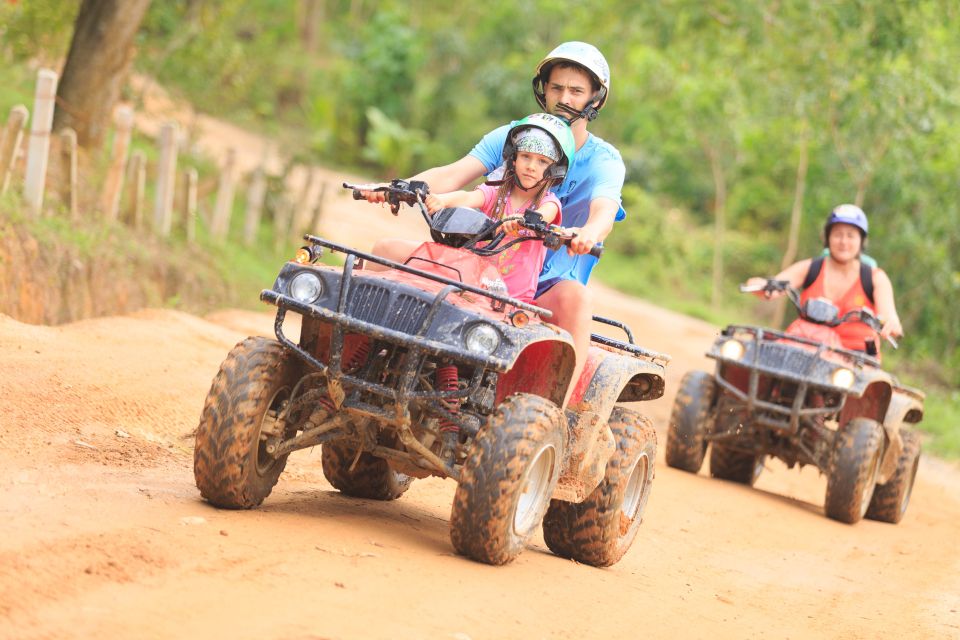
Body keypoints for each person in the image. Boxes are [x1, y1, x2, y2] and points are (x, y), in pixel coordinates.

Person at [365, 42, 625, 405]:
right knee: (383, 251)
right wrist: (397, 187)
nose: (565, 97)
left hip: (544, 283)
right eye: (557, 88)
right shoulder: (515, 136)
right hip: (482, 262)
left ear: (594, 99)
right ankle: (359, 371)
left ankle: (562, 415)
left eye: (576, 90)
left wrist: (587, 234)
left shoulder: (604, 160)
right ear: (543, 90)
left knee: (578, 299)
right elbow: (455, 175)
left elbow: (604, 210)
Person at [424, 113, 573, 303]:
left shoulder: (548, 203)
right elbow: (469, 197)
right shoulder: (497, 192)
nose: (531, 166)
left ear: (555, 169)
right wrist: (442, 200)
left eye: (542, 161)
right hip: (472, 286)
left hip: (512, 300)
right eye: (526, 156)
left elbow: (544, 216)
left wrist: (524, 221)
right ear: (513, 159)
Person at [745, 204, 903, 353]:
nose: (844, 242)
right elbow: (776, 285)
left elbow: (889, 314)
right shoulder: (811, 267)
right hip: (806, 344)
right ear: (828, 238)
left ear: (861, 241)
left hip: (854, 357)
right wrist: (762, 285)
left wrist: (891, 324)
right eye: (838, 234)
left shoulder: (875, 278)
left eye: (850, 236)